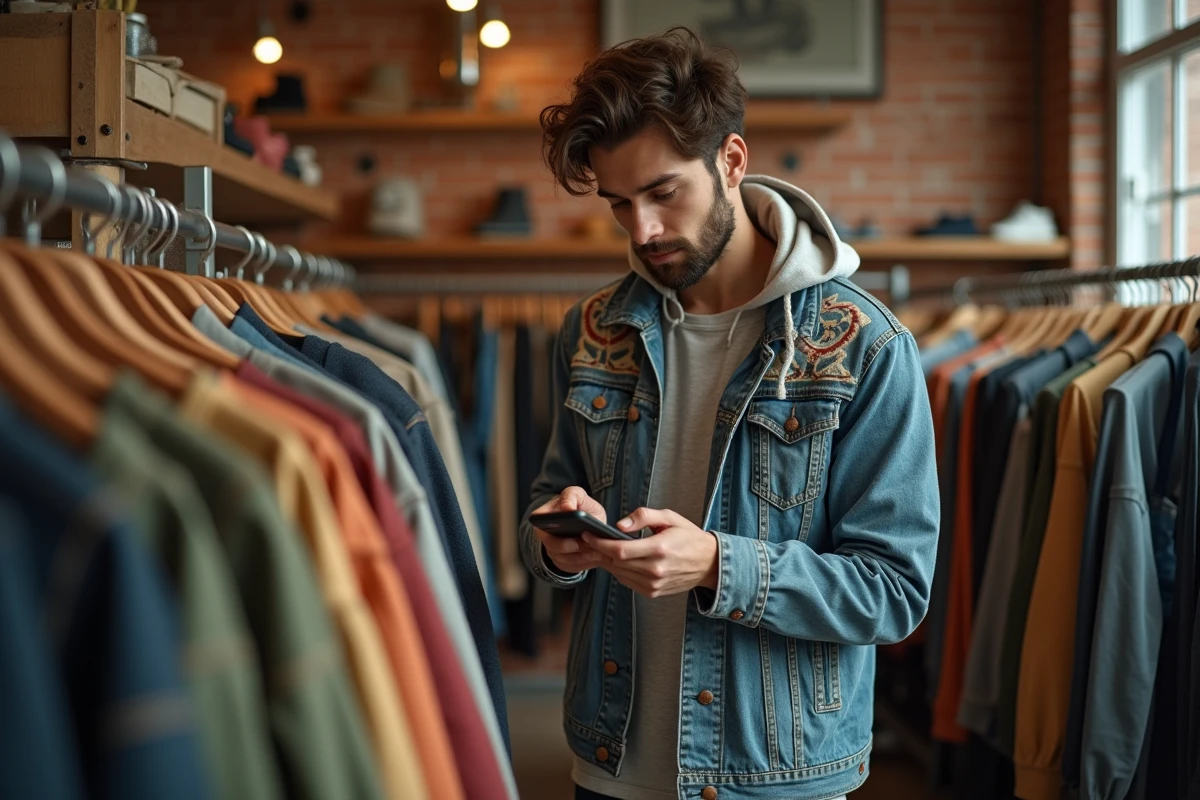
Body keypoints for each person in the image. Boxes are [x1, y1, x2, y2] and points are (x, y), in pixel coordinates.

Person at [520, 27, 940, 800]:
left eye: (663, 192)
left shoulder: (864, 348)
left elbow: (895, 591)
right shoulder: (593, 331)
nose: (641, 231)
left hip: (777, 777)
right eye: (620, 204)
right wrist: (559, 542)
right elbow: (546, 506)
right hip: (607, 766)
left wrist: (718, 564)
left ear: (732, 161)